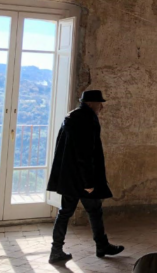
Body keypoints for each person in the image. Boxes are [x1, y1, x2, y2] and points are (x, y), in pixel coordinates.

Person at [47, 89, 124, 263]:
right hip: (81, 179)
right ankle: (100, 246)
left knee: (69, 212)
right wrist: (88, 182)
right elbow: (85, 154)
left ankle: (57, 250)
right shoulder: (87, 120)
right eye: (99, 103)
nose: (102, 107)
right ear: (90, 104)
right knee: (92, 210)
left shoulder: (72, 116)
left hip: (69, 177)